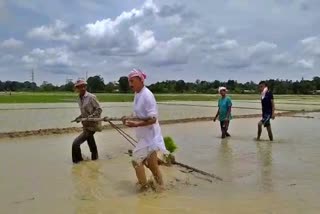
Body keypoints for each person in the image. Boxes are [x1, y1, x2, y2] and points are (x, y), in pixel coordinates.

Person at [122, 69, 168, 191]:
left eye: (132, 81)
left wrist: (136, 124)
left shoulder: (147, 95)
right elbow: (139, 113)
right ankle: (161, 187)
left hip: (150, 137)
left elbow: (153, 119)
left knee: (136, 160)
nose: (130, 84)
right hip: (145, 136)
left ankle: (144, 188)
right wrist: (128, 118)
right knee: (153, 166)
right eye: (129, 82)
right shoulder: (138, 94)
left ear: (141, 80)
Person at [72, 80, 102, 163]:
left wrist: (91, 117)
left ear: (85, 87)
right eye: (78, 87)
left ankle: (78, 162)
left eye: (82, 86)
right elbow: (84, 112)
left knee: (75, 143)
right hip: (85, 124)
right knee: (91, 142)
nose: (81, 88)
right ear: (76, 89)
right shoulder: (79, 98)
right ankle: (95, 160)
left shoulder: (91, 97)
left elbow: (99, 109)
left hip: (93, 124)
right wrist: (79, 117)